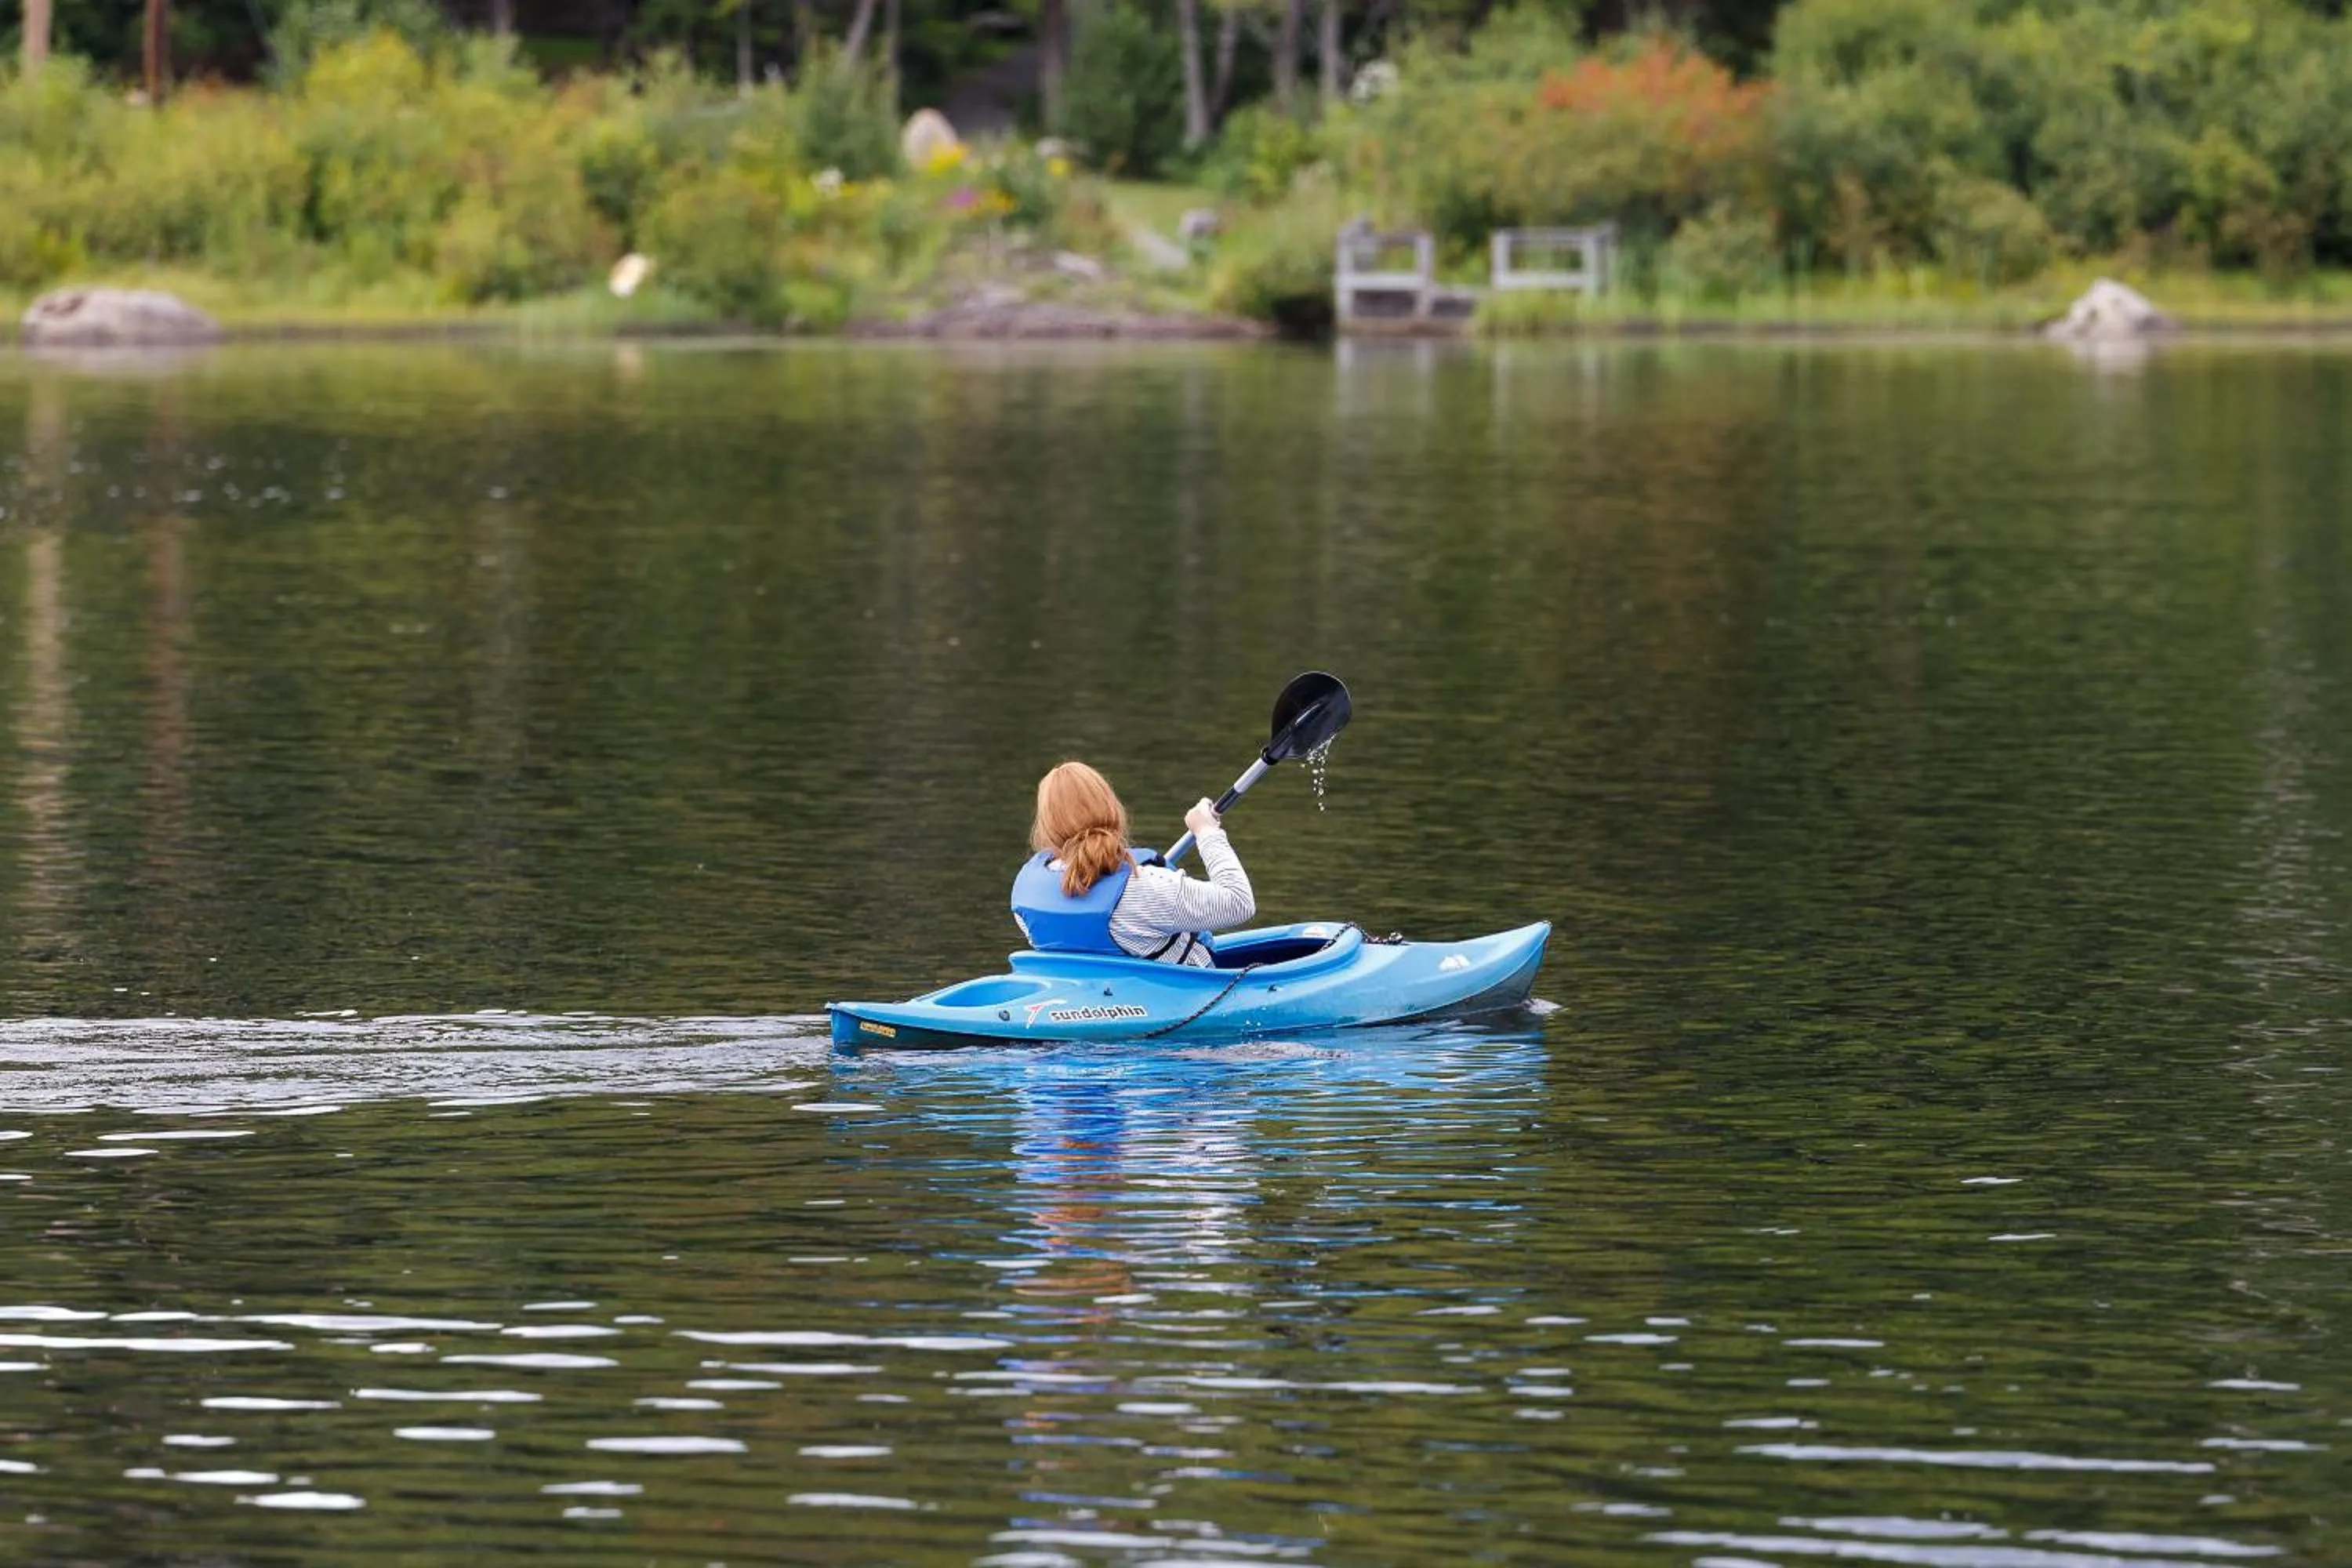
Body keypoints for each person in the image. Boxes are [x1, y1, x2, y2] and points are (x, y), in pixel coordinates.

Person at [1011, 761, 1255, 967]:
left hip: (1089, 1000)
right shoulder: (1145, 887)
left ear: (1045, 826)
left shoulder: (1025, 895)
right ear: (1112, 810)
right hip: (1179, 1000)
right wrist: (1206, 832)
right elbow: (1239, 903)